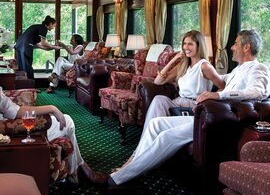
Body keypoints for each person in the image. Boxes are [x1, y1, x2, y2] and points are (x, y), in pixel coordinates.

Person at [91, 29, 270, 188]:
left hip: (221, 121)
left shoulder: (258, 68)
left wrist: (217, 95)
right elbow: (221, 81)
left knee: (166, 135)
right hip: (206, 114)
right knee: (156, 124)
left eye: (236, 44)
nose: (232, 47)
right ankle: (133, 161)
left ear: (246, 47)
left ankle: (117, 178)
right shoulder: (237, 71)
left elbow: (258, 92)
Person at [0, 86, 107, 185]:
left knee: (65, 120)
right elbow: (14, 112)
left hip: (9, 126)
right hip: (8, 135)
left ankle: (77, 169)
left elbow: (14, 111)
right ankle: (79, 169)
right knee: (67, 122)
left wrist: (52, 108)